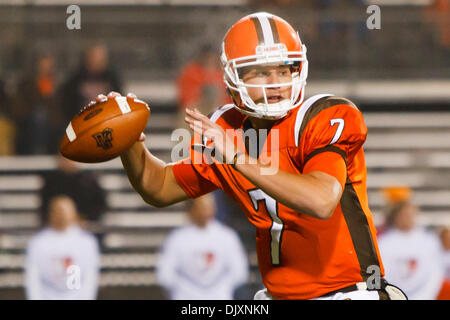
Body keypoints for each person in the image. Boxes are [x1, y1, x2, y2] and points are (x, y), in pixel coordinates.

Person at [91, 12, 404, 300]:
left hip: (346, 293)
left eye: (284, 69)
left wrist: (238, 157)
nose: (277, 82)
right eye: (262, 72)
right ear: (232, 78)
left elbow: (321, 201)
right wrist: (129, 142)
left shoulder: (321, 116)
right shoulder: (227, 127)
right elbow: (158, 187)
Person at [156, 193, 249, 300]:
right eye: (202, 206)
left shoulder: (227, 236)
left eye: (209, 206)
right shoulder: (177, 238)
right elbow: (165, 275)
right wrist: (186, 289)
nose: (206, 210)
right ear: (192, 209)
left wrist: (220, 288)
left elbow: (239, 272)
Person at [25, 195, 100, 300]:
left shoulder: (87, 242)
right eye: (58, 210)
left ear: (74, 212)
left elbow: (90, 278)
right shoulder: (37, 242)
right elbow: (33, 279)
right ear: (51, 213)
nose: (62, 215)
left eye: (65, 210)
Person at [377, 200, 445, 300]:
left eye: (410, 215)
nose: (407, 218)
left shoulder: (430, 241)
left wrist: (426, 296)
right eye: (403, 215)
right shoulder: (383, 243)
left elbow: (436, 274)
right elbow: (382, 274)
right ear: (396, 216)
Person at [11, 53, 63, 154]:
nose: (45, 70)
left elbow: (60, 113)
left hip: (54, 128)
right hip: (29, 128)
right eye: (42, 67)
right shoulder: (25, 86)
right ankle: (38, 153)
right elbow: (19, 111)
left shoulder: (59, 88)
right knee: (39, 116)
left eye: (49, 67)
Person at [39, 154, 107, 232]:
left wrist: (83, 218)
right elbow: (44, 207)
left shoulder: (89, 180)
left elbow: (100, 205)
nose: (67, 161)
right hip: (56, 228)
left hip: (86, 226)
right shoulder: (51, 182)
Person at [60, 44, 122, 126]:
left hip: (106, 121)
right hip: (81, 121)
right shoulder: (76, 78)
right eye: (93, 59)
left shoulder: (112, 77)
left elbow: (119, 99)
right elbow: (67, 102)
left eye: (100, 60)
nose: (96, 63)